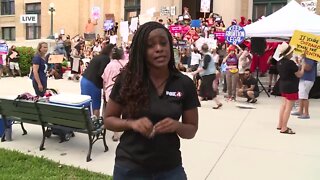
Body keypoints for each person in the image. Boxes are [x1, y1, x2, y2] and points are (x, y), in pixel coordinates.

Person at [104, 22, 200, 179]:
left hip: (170, 168)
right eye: (150, 45)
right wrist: (131, 124)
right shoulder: (127, 80)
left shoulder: (184, 83)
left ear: (170, 46)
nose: (159, 49)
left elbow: (191, 130)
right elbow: (108, 120)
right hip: (130, 167)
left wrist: (176, 125)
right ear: (141, 51)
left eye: (163, 43)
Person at [276, 42, 305, 134]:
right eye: (291, 52)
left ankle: (280, 124)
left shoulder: (279, 61)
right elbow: (299, 74)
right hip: (291, 86)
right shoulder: (290, 63)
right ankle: (284, 128)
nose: (292, 53)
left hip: (283, 85)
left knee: (283, 105)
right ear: (288, 53)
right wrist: (303, 66)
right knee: (288, 107)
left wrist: (298, 64)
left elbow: (293, 70)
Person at [102, 46, 128, 142]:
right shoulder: (126, 64)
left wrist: (104, 93)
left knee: (114, 114)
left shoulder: (109, 65)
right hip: (125, 90)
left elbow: (104, 80)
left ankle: (116, 134)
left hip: (110, 91)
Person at [80, 44, 114, 117]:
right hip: (93, 83)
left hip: (84, 80)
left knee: (86, 103)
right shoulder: (106, 59)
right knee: (96, 105)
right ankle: (95, 124)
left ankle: (86, 122)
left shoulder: (98, 57)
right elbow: (102, 73)